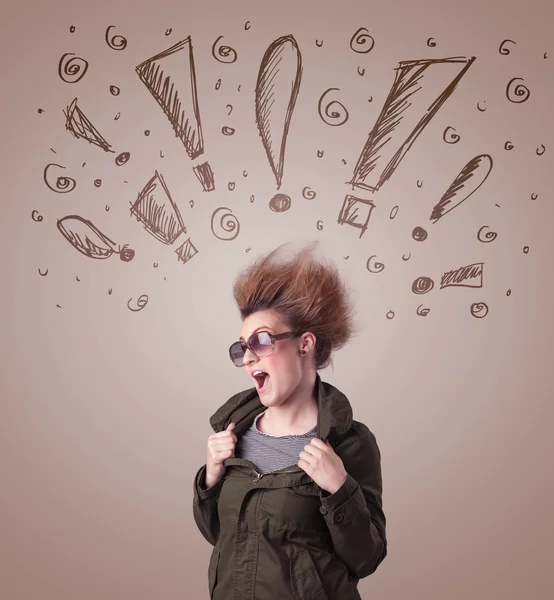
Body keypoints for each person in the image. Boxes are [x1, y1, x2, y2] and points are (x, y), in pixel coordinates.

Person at [192, 241, 387, 600]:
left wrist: (340, 489)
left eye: (262, 341)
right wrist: (211, 479)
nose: (249, 358)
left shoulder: (348, 444)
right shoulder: (233, 436)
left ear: (305, 344)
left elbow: (367, 558)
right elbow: (220, 537)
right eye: (241, 348)